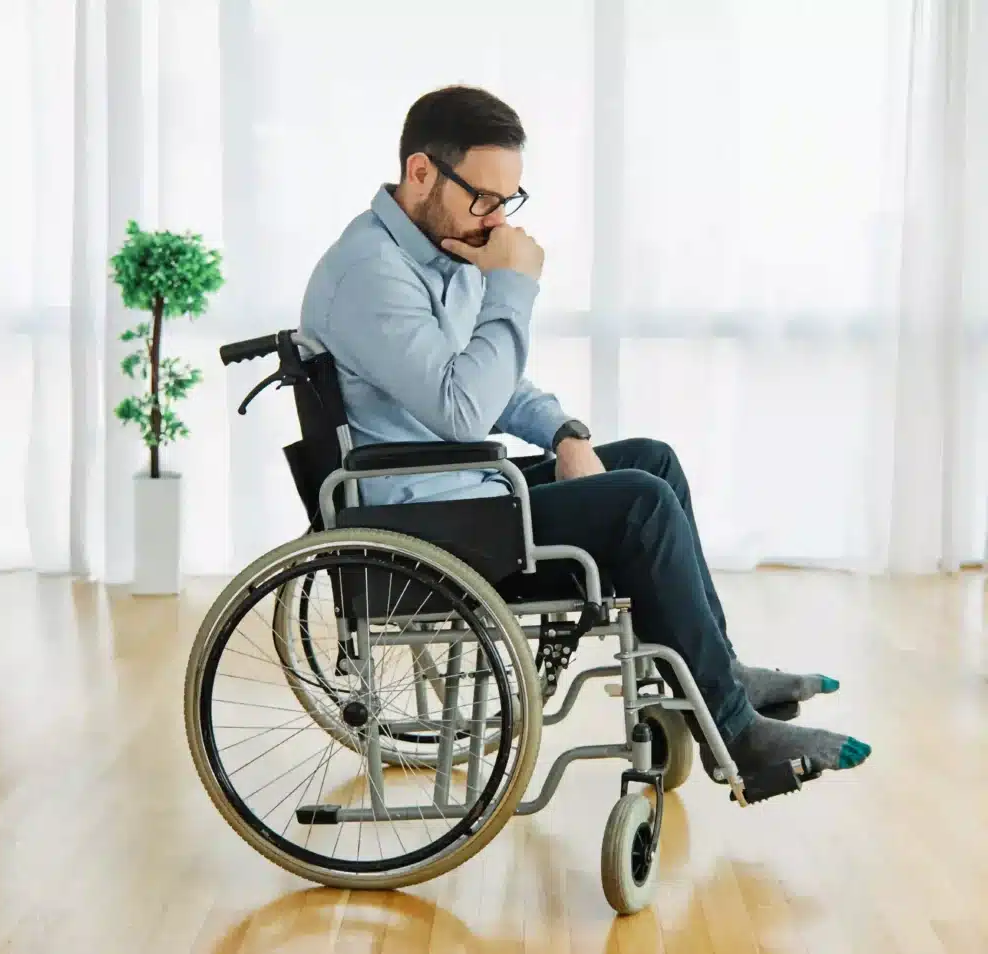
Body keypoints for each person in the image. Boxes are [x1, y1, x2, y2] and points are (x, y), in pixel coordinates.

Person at [299, 85, 871, 781]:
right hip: (425, 528)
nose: (498, 218)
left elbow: (492, 381)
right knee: (638, 505)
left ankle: (716, 675)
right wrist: (513, 288)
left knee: (650, 463)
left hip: (460, 492)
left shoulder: (436, 253)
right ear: (421, 173)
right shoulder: (370, 274)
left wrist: (566, 435)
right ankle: (737, 734)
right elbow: (460, 409)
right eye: (484, 197)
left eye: (509, 199)